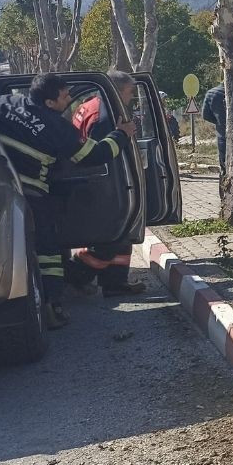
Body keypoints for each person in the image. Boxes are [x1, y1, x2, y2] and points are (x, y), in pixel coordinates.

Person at [0, 73, 133, 328]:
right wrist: (121, 135)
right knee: (48, 252)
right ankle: (51, 306)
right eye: (65, 96)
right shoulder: (57, 127)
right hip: (30, 194)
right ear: (49, 102)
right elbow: (95, 155)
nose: (69, 100)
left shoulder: (3, 104)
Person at [67, 70, 148, 298]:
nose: (130, 98)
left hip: (92, 181)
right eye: (129, 92)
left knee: (121, 232)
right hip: (102, 183)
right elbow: (102, 152)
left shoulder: (90, 104)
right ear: (117, 89)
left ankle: (115, 283)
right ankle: (75, 275)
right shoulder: (103, 114)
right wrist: (122, 135)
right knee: (109, 237)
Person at [201, 83, 226, 174]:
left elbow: (205, 115)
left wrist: (219, 122)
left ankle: (225, 186)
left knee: (224, 166)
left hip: (222, 135)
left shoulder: (211, 93)